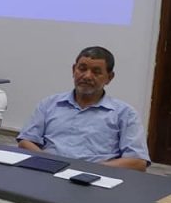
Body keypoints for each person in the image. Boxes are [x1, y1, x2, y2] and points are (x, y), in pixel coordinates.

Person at [17, 46, 150, 171]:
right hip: (49, 171)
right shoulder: (50, 104)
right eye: (82, 69)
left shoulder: (125, 113)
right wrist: (50, 163)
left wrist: (87, 170)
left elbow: (137, 162)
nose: (87, 76)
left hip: (95, 176)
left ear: (109, 77)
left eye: (96, 72)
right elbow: (26, 141)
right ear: (73, 70)